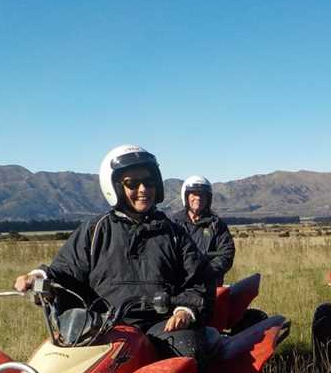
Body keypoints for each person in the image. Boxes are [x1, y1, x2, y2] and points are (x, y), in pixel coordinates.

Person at [14, 144, 212, 361]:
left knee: (187, 349)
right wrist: (38, 278)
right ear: (115, 187)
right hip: (101, 326)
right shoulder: (95, 230)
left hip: (160, 325)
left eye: (149, 181)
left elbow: (198, 280)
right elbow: (66, 269)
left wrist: (185, 310)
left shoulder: (174, 233)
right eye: (132, 183)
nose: (143, 189)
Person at [173, 175, 235, 287]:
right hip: (178, 285)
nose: (198, 198)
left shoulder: (216, 225)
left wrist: (206, 272)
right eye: (194, 194)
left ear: (208, 199)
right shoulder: (174, 223)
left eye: (202, 195)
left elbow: (227, 254)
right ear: (186, 196)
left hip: (208, 286)